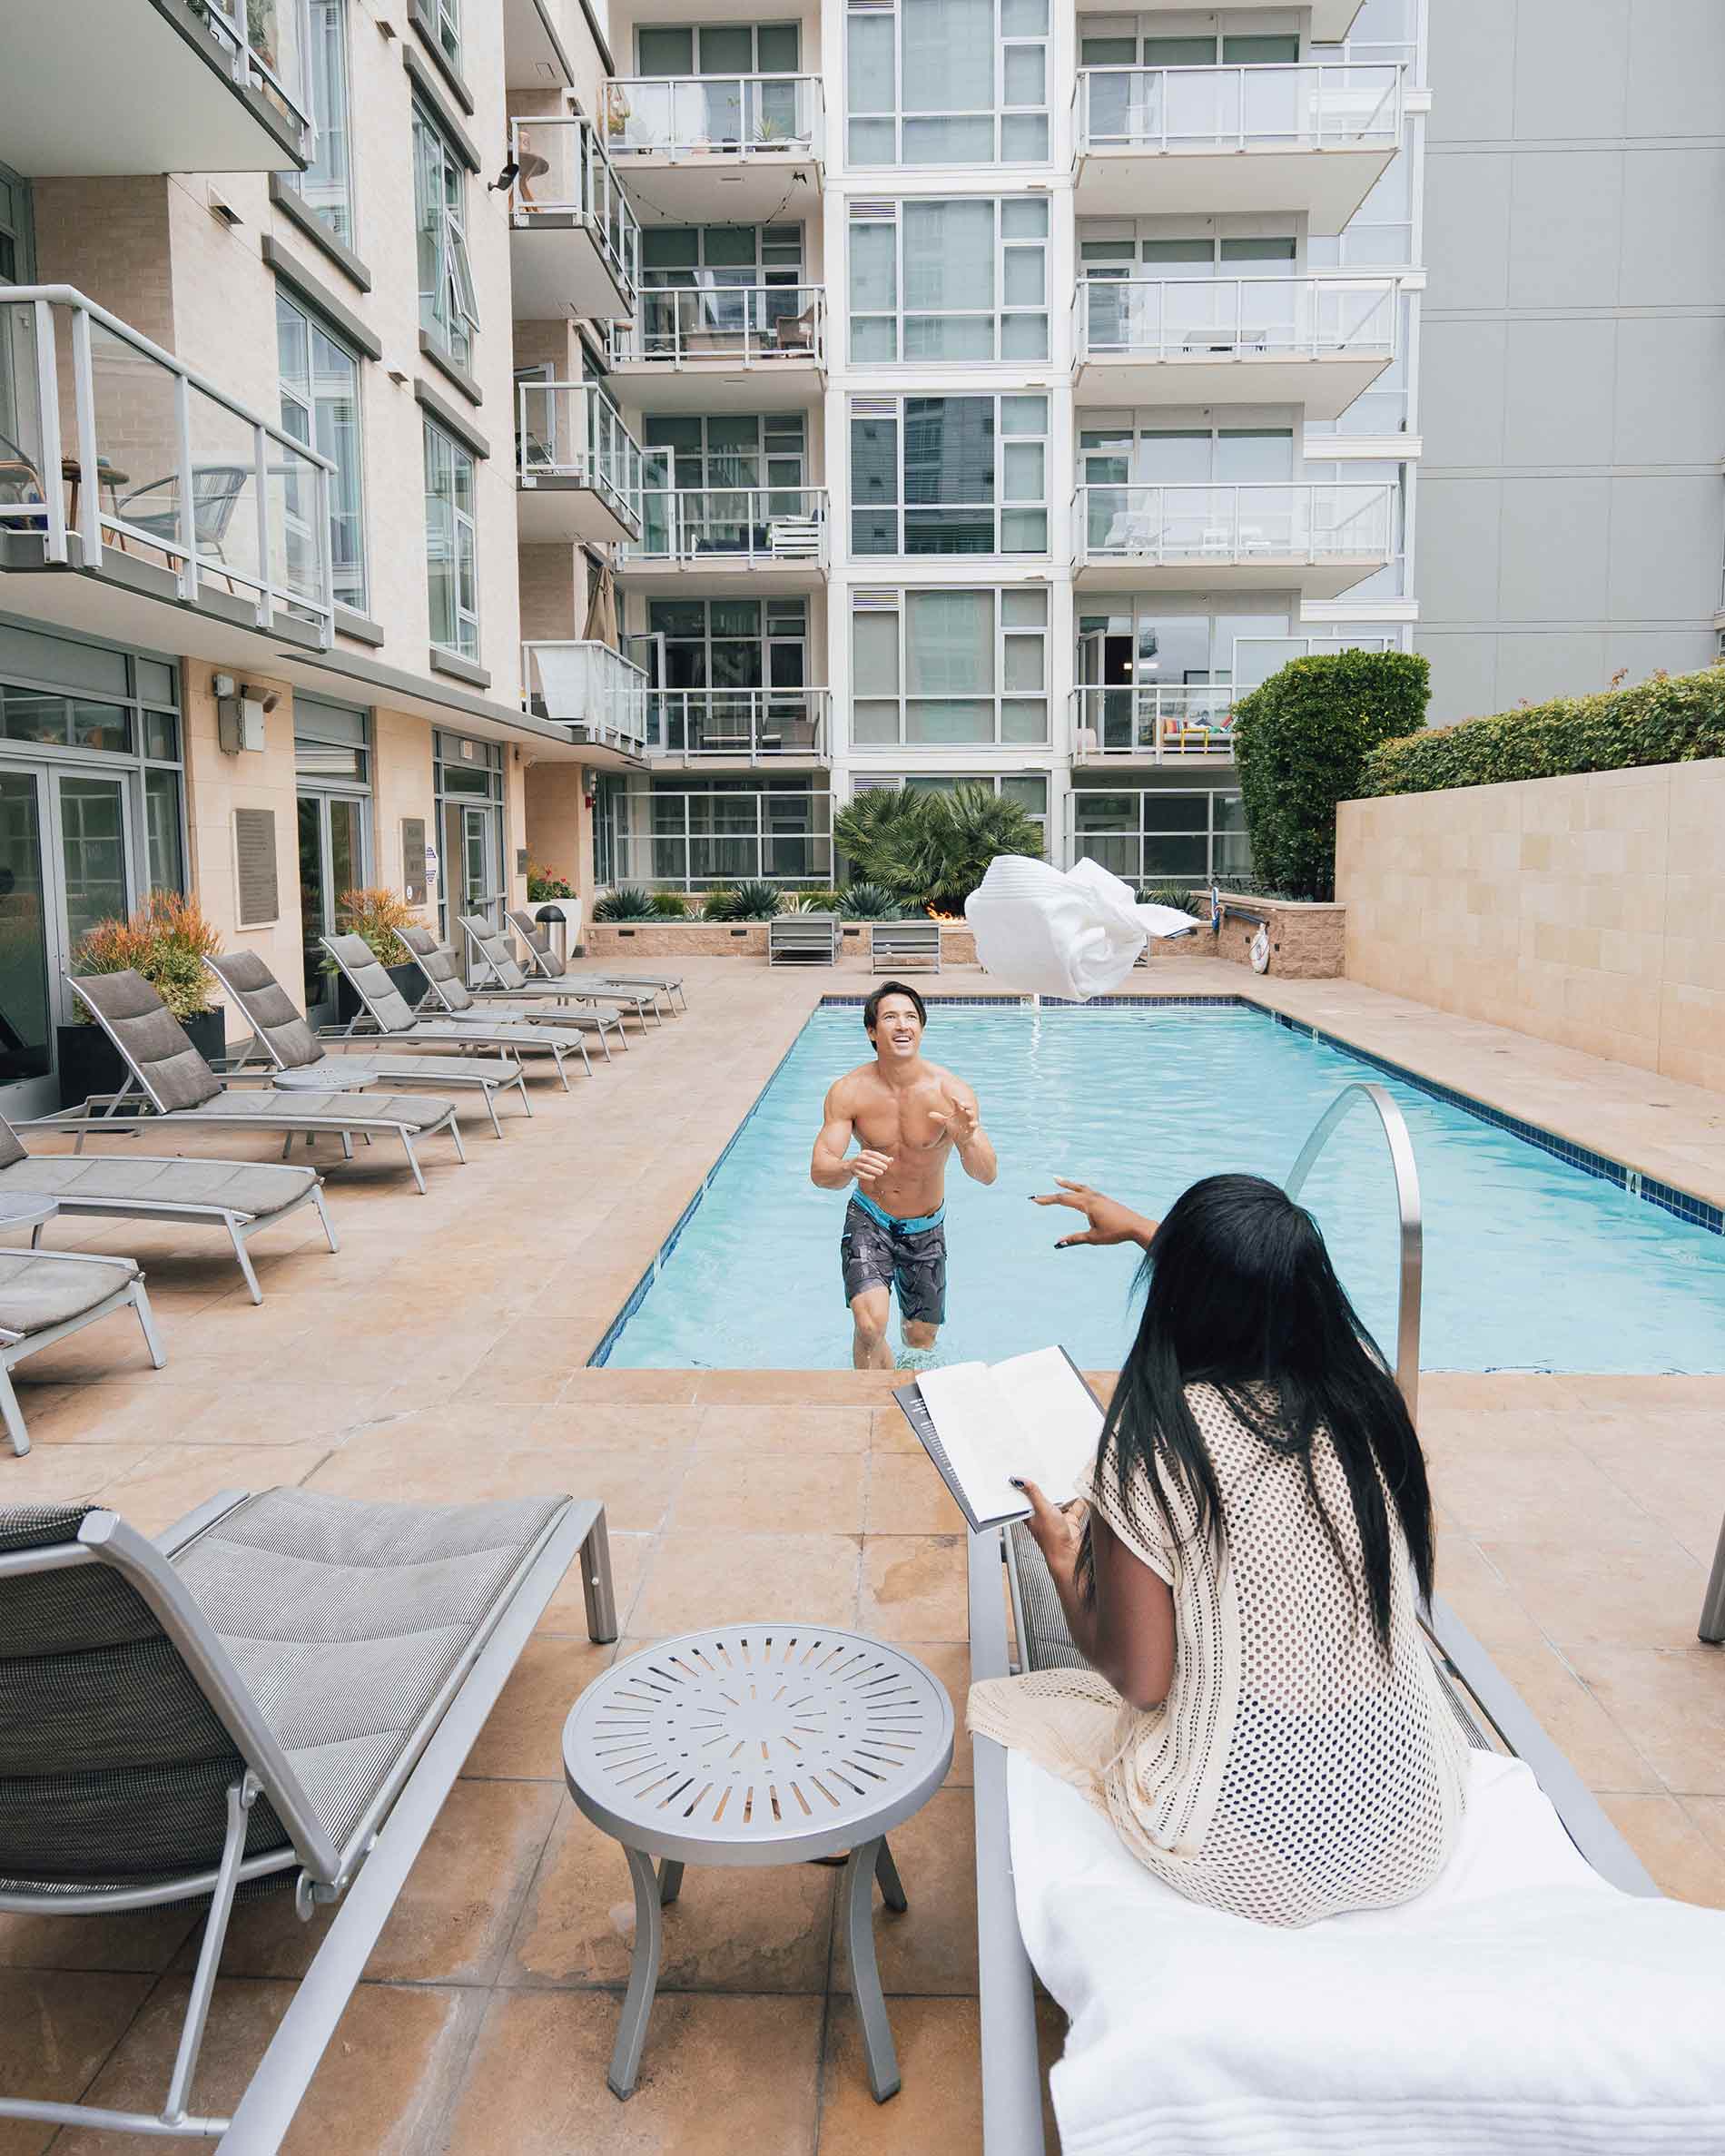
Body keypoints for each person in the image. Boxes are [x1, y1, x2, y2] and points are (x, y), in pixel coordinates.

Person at [969, 1172, 1468, 1928]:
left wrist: (1067, 1567)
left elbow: (1141, 1680)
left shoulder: (1156, 1442)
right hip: (1408, 1819)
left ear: (1175, 1299)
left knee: (1036, 1644)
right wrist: (1145, 1229)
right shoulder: (1370, 1405)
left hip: (1234, 1847)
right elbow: (1261, 1290)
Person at [810, 980, 997, 1369]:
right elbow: (820, 1170)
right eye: (890, 1017)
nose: (902, 1025)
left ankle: (900, 1397)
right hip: (870, 1218)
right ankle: (870, 1405)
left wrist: (968, 1138)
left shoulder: (951, 1092)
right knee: (869, 1324)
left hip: (926, 1229)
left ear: (922, 1029)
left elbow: (986, 1175)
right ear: (872, 1032)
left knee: (919, 1340)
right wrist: (848, 1167)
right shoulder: (848, 1091)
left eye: (911, 1017)